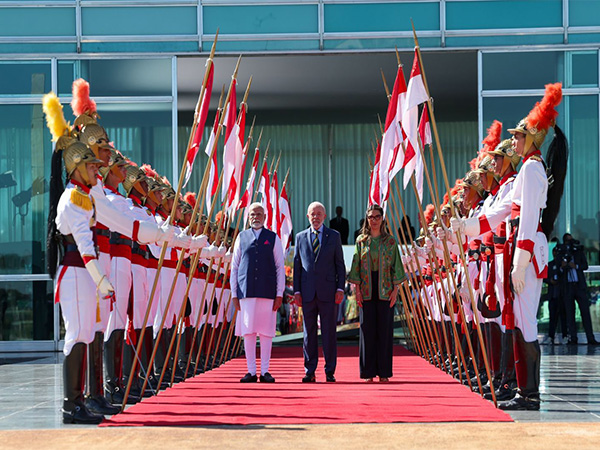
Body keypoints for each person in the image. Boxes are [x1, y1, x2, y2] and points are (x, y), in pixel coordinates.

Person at [44, 92, 112, 424]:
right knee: (77, 333)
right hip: (76, 270)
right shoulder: (74, 198)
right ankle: (71, 405)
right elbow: (85, 243)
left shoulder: (84, 195)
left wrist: (97, 279)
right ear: (77, 168)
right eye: (92, 165)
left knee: (85, 333)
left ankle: (80, 401)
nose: (97, 170)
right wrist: (102, 279)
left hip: (83, 271)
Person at [348, 204, 405, 382]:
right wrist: (357, 291)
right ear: (367, 219)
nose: (374, 220)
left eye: (377, 217)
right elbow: (355, 266)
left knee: (385, 331)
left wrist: (396, 290)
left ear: (382, 219)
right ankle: (368, 373)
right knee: (367, 331)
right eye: (371, 217)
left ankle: (384, 373)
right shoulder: (361, 241)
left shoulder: (390, 242)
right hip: (366, 289)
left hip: (385, 289)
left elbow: (396, 267)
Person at [231, 203, 285, 382]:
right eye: (253, 214)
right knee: (249, 332)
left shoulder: (273, 237)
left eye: (259, 214)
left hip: (267, 291)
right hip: (246, 292)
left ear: (265, 217)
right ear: (248, 216)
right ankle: (251, 371)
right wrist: (234, 294)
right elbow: (235, 266)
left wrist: (279, 293)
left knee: (267, 332)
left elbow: (279, 267)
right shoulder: (241, 237)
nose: (256, 217)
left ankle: (265, 371)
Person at [294, 201, 346, 382]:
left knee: (329, 332)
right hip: (307, 293)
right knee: (309, 333)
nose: (315, 217)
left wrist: (340, 288)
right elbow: (297, 267)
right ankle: (310, 370)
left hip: (329, 292)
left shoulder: (334, 236)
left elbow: (340, 265)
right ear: (307, 216)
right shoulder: (300, 237)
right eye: (312, 214)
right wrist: (297, 292)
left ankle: (330, 370)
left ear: (324, 216)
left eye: (319, 214)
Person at [558, 233, 598, 345]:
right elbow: (557, 270)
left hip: (579, 286)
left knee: (585, 312)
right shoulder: (561, 253)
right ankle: (573, 338)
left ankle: (590, 337)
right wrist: (563, 266)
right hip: (568, 287)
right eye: (567, 241)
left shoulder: (578, 252)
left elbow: (585, 266)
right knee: (570, 314)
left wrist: (575, 266)